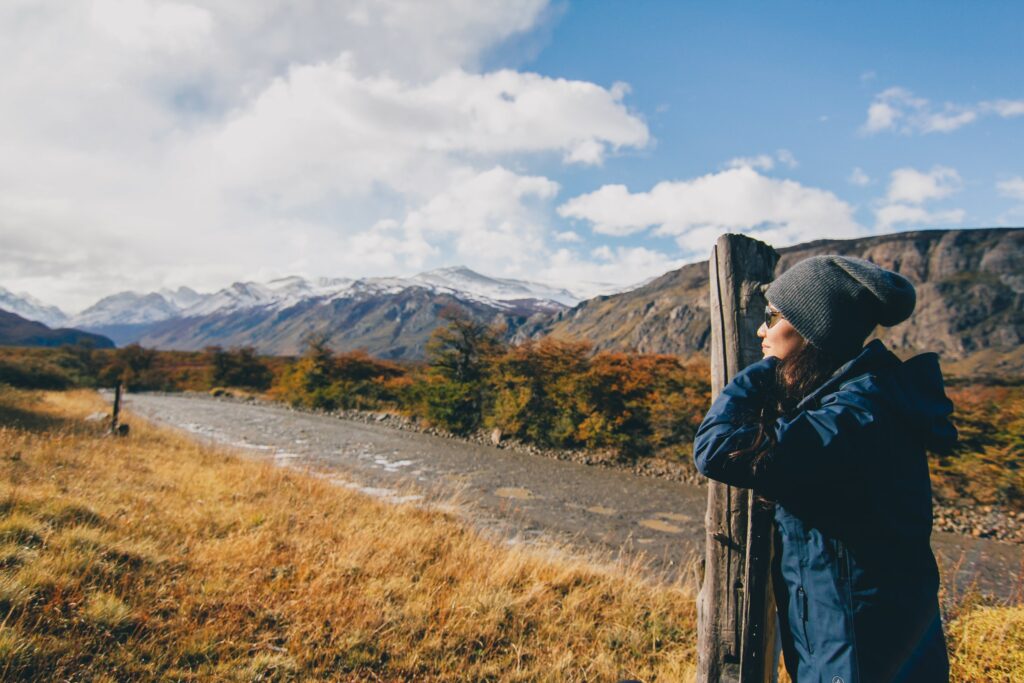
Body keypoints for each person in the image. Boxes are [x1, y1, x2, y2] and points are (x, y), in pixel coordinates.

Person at [693, 255, 955, 682]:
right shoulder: (860, 402)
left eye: (772, 317)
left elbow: (716, 448)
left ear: (815, 330)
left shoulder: (856, 417)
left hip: (858, 657)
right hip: (849, 647)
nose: (761, 330)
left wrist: (763, 372)